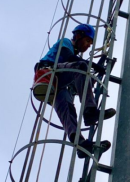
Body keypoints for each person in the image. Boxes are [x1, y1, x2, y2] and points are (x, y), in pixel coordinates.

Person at [36, 24, 115, 158]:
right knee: (80, 67)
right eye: (88, 41)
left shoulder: (73, 66)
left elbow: (83, 85)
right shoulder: (66, 42)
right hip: (49, 71)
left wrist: (98, 69)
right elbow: (69, 58)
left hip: (58, 83)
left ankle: (81, 145)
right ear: (78, 35)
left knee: (67, 110)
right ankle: (89, 111)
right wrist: (93, 65)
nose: (89, 45)